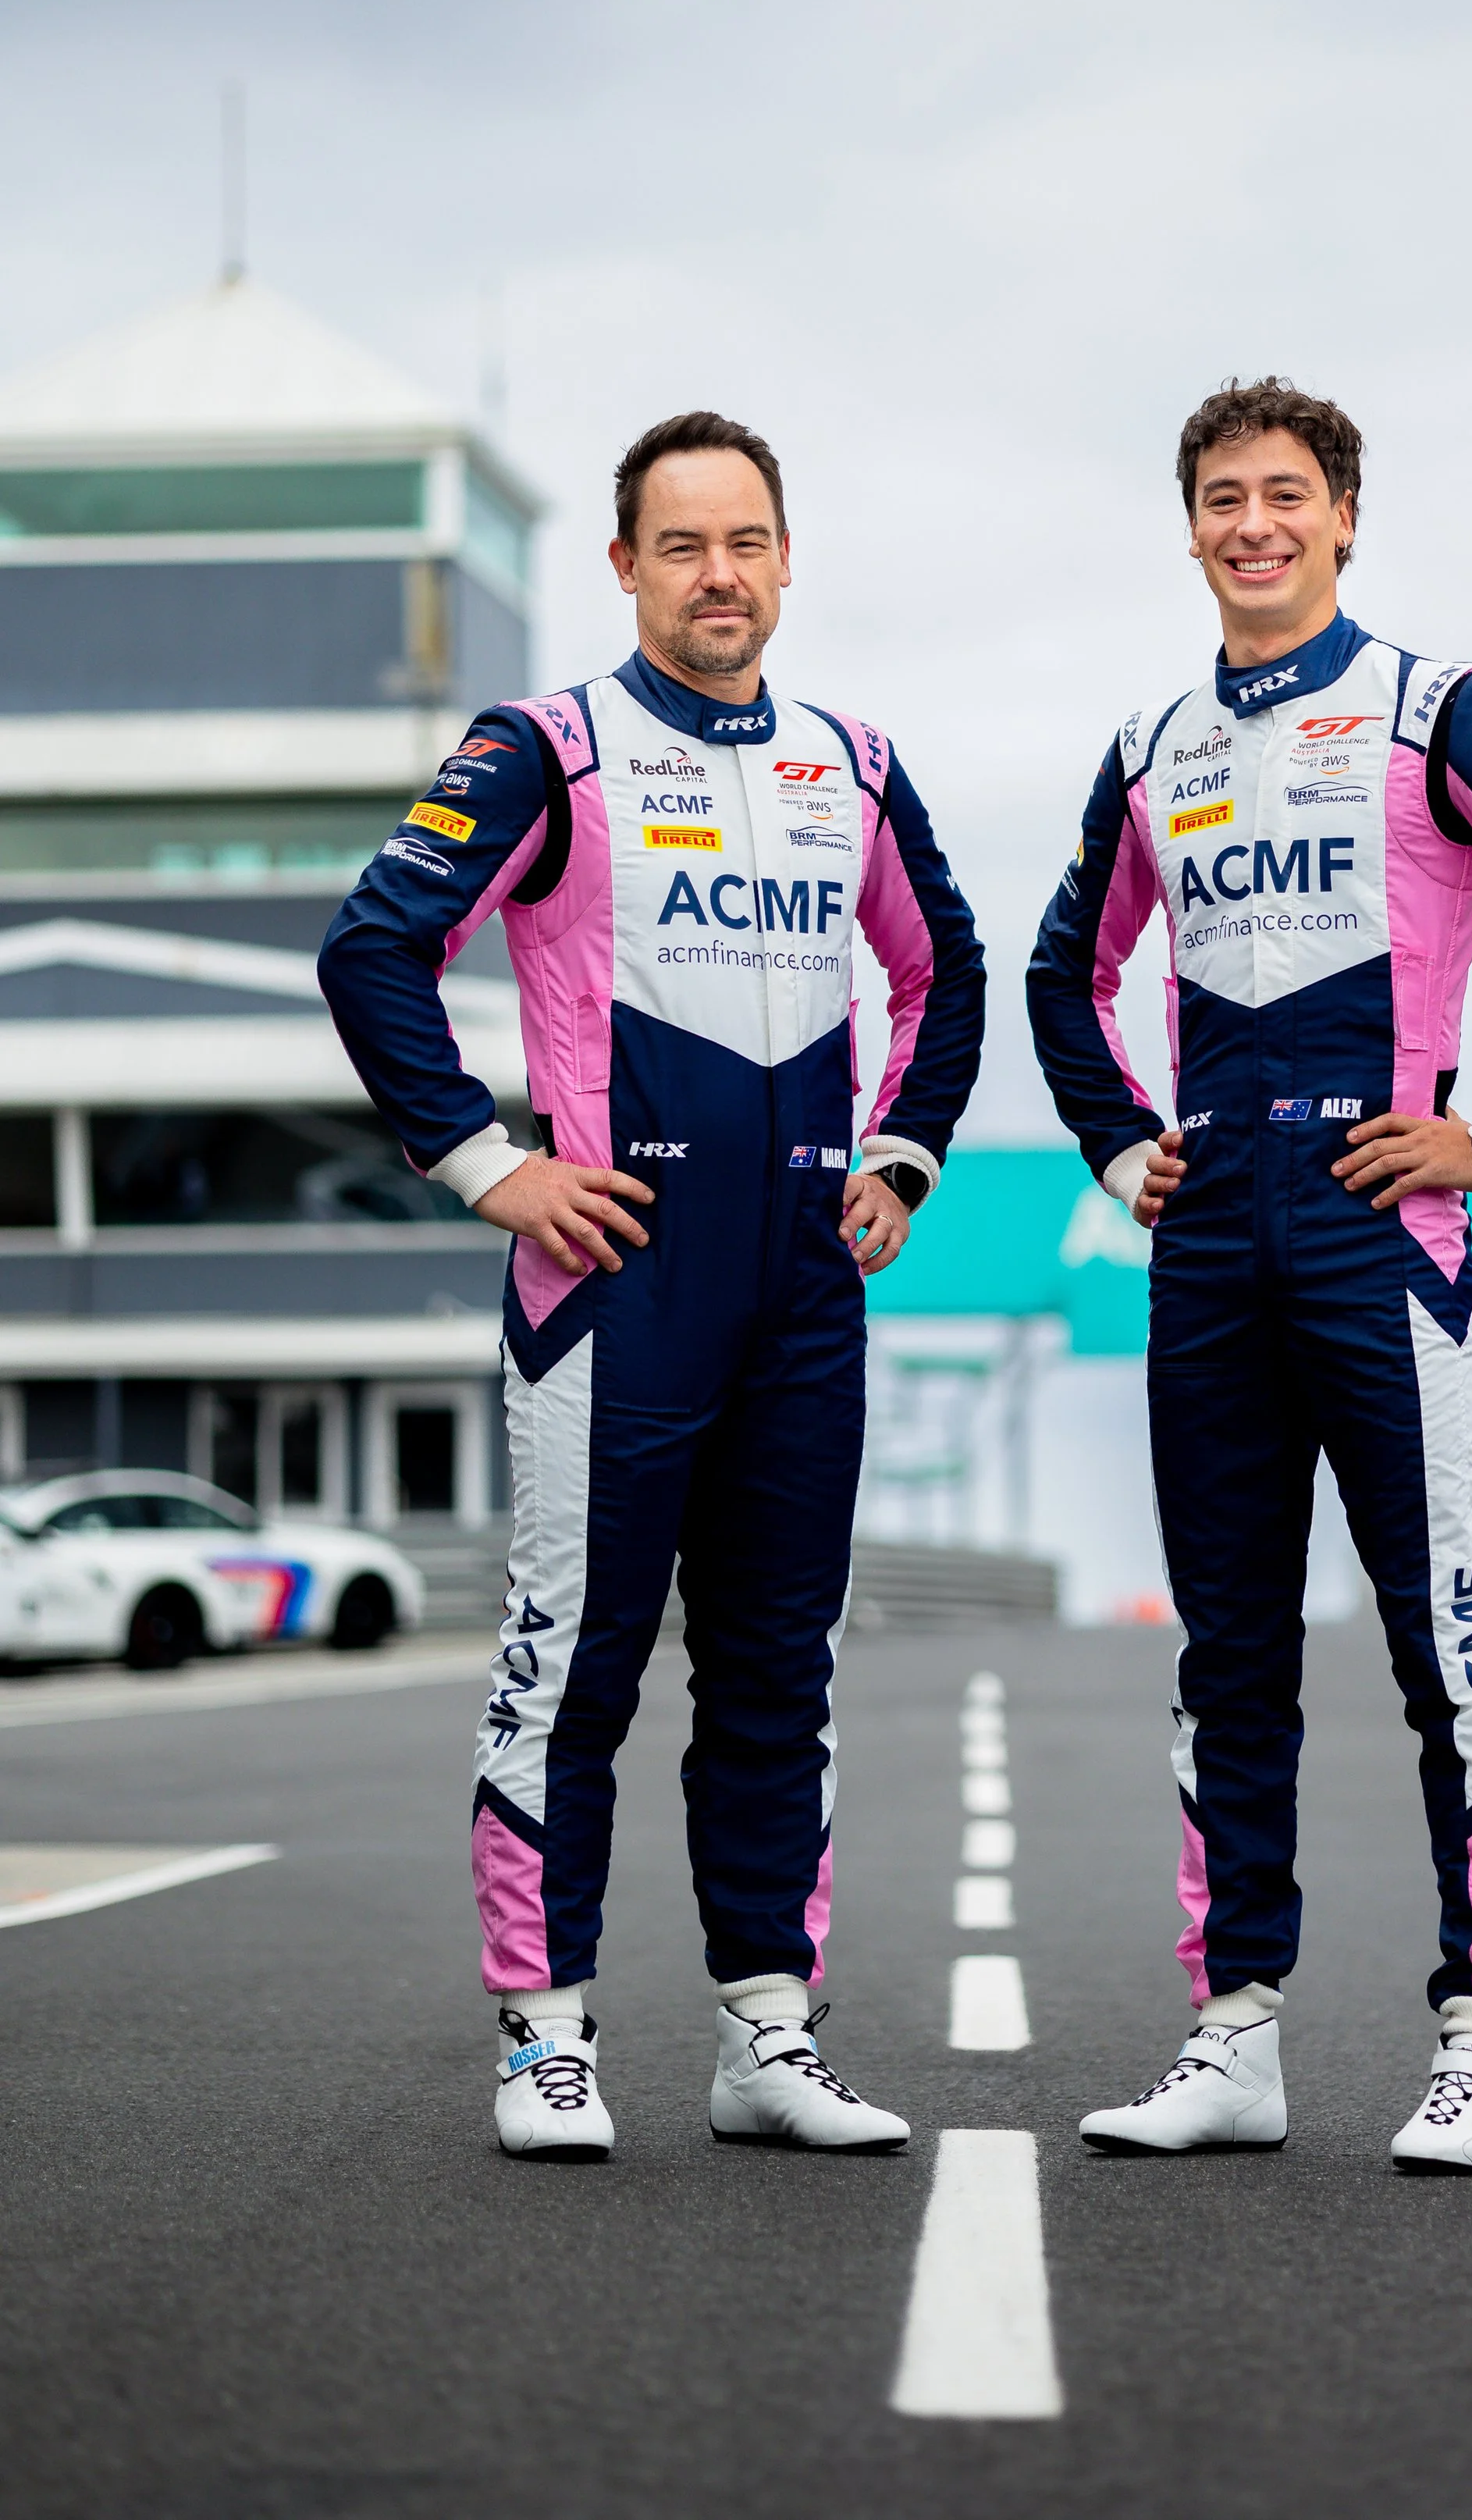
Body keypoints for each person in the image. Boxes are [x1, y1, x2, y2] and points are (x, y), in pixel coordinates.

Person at [1026, 378, 1472, 2169]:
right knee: (1227, 1650)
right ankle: (1232, 2034)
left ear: (1341, 517)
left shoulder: (1438, 707)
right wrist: (1118, 1147)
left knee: (1441, 1630)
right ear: (1188, 527)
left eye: (1284, 494)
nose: (1252, 524)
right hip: (1206, 1236)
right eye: (1221, 497)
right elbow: (1063, 974)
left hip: (1379, 1225)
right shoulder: (1151, 745)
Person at [319, 409, 983, 2159]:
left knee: (776, 1674)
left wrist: (903, 1156)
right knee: (575, 1665)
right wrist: (490, 1166)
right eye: (681, 545)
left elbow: (944, 973)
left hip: (804, 1289)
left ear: (786, 559)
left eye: (744, 541)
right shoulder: (545, 749)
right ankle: (545, 2036)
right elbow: (374, 947)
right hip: (614, 1279)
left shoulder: (854, 762)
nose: (717, 575)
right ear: (624, 566)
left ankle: (770, 2033)